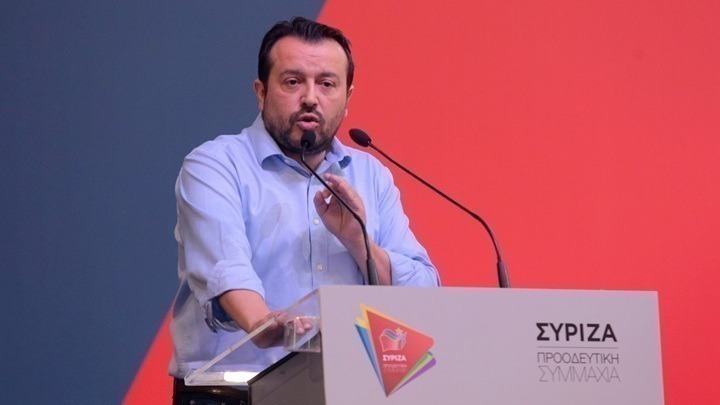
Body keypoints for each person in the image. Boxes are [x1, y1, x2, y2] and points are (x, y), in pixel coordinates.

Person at [169, 16, 440, 404]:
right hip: (234, 394)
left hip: (350, 392)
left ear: (347, 97)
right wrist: (265, 324)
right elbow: (227, 268)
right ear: (261, 92)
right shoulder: (216, 165)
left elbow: (425, 294)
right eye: (293, 81)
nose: (311, 97)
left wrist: (358, 241)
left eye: (327, 84)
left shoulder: (372, 175)